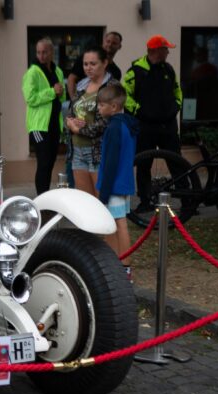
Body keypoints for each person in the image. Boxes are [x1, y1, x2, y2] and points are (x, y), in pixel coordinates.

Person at [122, 34, 184, 213]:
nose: (168, 53)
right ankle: (145, 201)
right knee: (143, 164)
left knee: (176, 162)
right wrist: (139, 112)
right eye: (166, 49)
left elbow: (177, 91)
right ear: (155, 51)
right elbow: (126, 96)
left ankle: (187, 199)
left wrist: (176, 107)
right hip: (145, 127)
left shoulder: (169, 69)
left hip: (168, 125)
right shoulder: (135, 71)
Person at [95, 83, 138, 281]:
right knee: (113, 222)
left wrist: (104, 192)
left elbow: (111, 162)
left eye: (102, 105)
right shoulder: (128, 124)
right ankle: (115, 262)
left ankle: (125, 266)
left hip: (114, 185)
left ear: (113, 106)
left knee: (119, 224)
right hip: (123, 182)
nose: (98, 108)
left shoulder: (113, 128)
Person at [65, 47, 119, 197]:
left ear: (105, 63)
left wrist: (78, 129)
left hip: (98, 151)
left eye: (93, 64)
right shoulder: (82, 84)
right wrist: (70, 123)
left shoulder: (112, 86)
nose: (88, 68)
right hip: (78, 150)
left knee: (101, 201)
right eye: (85, 64)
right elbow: (71, 112)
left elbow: (106, 122)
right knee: (85, 202)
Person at [22, 37, 65, 195]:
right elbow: (30, 98)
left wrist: (59, 93)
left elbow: (61, 96)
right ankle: (41, 199)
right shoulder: (32, 72)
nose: (41, 56)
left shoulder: (58, 71)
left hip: (54, 124)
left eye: (45, 52)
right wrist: (52, 92)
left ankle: (46, 196)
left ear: (52, 52)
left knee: (50, 163)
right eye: (39, 52)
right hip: (39, 126)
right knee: (44, 163)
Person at [66, 31, 123, 100]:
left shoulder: (116, 72)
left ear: (119, 46)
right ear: (103, 42)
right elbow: (71, 79)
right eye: (108, 41)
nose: (110, 45)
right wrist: (74, 100)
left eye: (114, 43)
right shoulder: (87, 58)